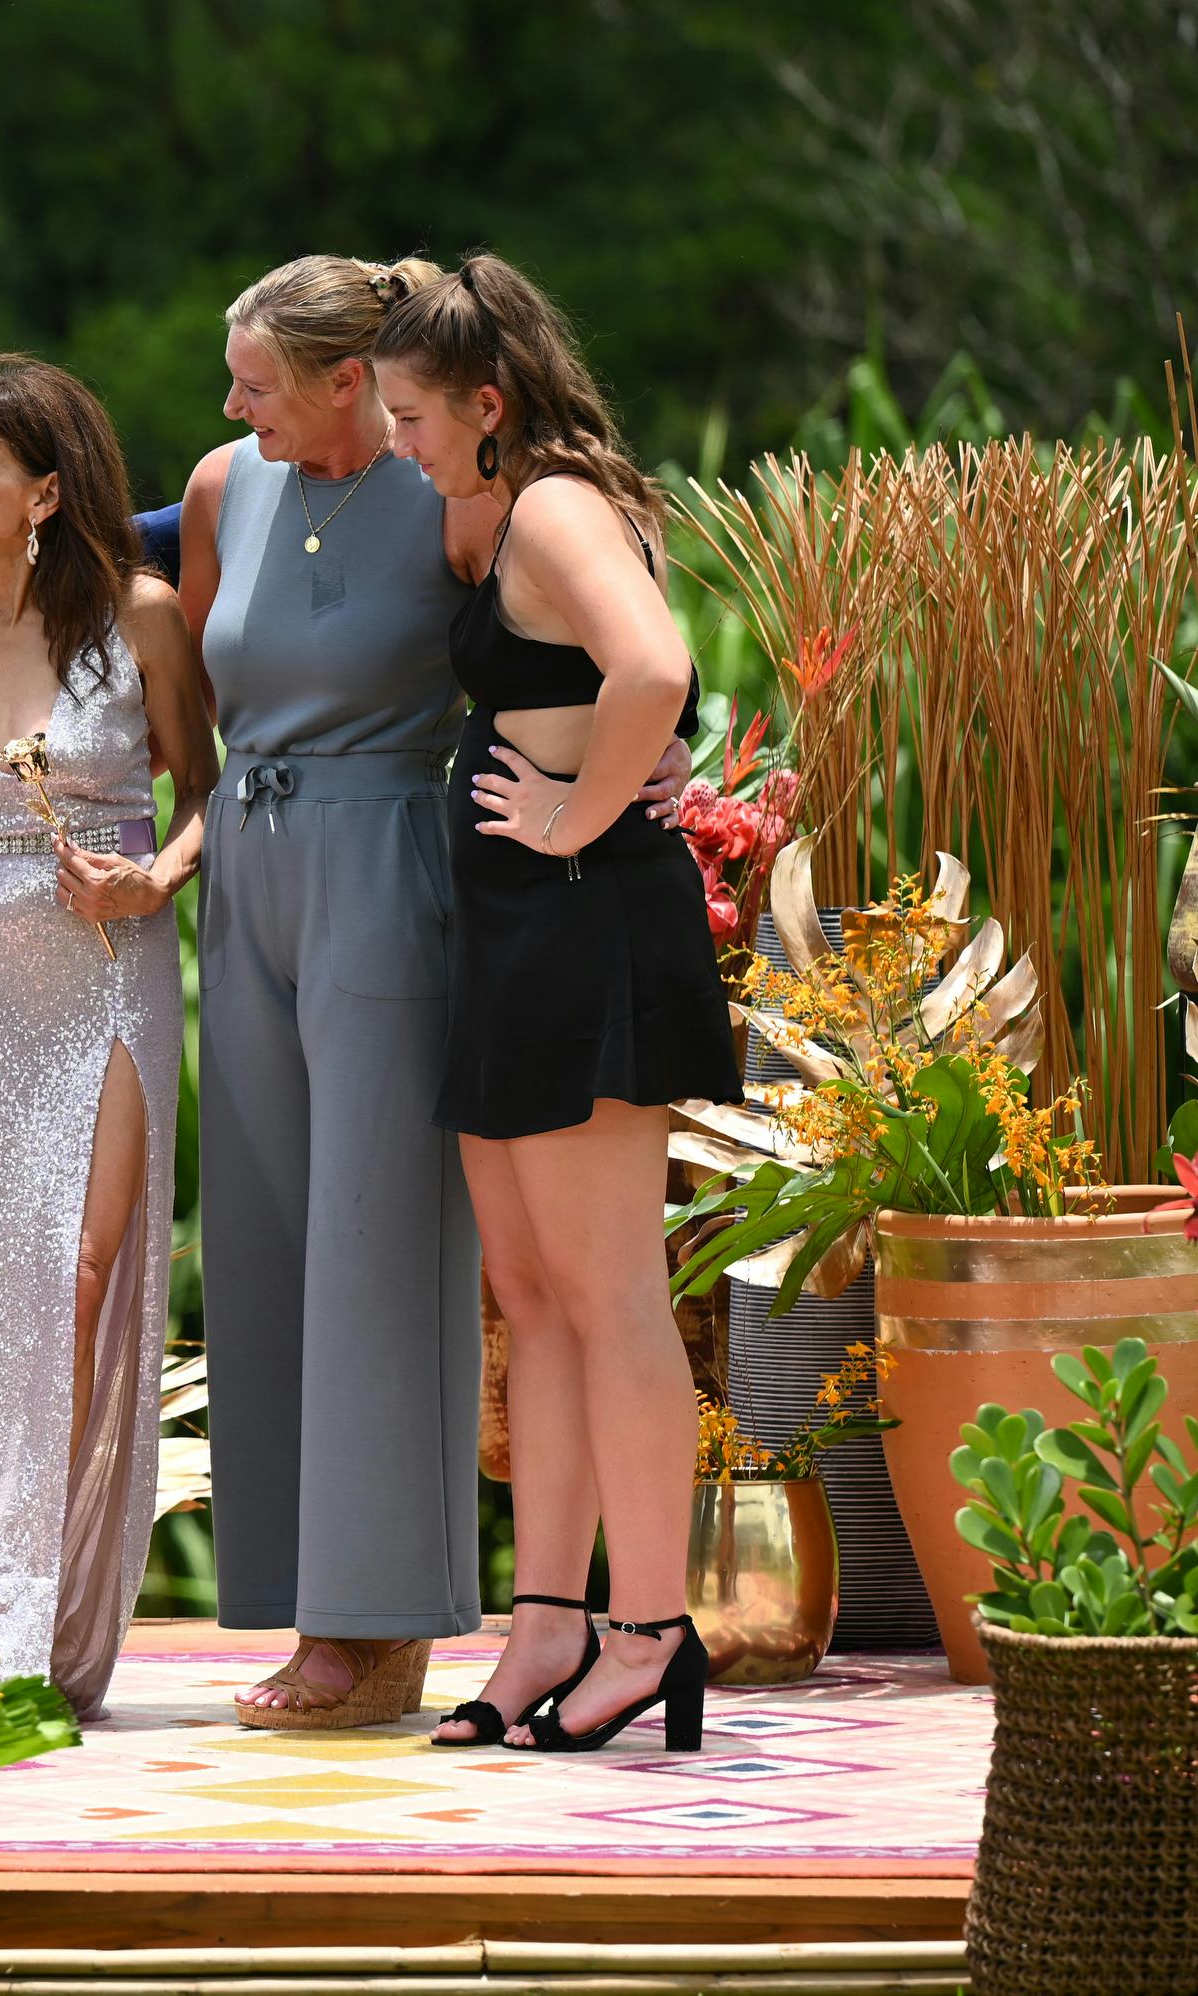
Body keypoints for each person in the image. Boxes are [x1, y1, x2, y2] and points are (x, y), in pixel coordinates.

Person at [176, 257, 691, 1731]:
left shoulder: (485, 496)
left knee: (402, 1246)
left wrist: (619, 787)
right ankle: (528, 1627)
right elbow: (167, 611)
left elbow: (626, 647)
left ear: (366, 387)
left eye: (260, 381)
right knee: (318, 1247)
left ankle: (408, 1619)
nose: (231, 407)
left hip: (428, 869)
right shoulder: (230, 484)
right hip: (263, 867)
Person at [373, 254, 737, 1753]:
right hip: (516, 931)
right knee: (532, 1299)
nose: (397, 441)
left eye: (409, 414)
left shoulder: (553, 503)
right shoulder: (507, 497)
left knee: (610, 1297)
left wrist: (581, 816)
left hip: (584, 924)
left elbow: (658, 664)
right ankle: (549, 1627)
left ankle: (652, 1629)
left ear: (488, 403)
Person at [0, 356, 209, 1717]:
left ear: (45, 492)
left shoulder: (138, 617)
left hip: (110, 969)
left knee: (78, 1279)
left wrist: (159, 878)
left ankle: (45, 1620)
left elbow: (218, 790)